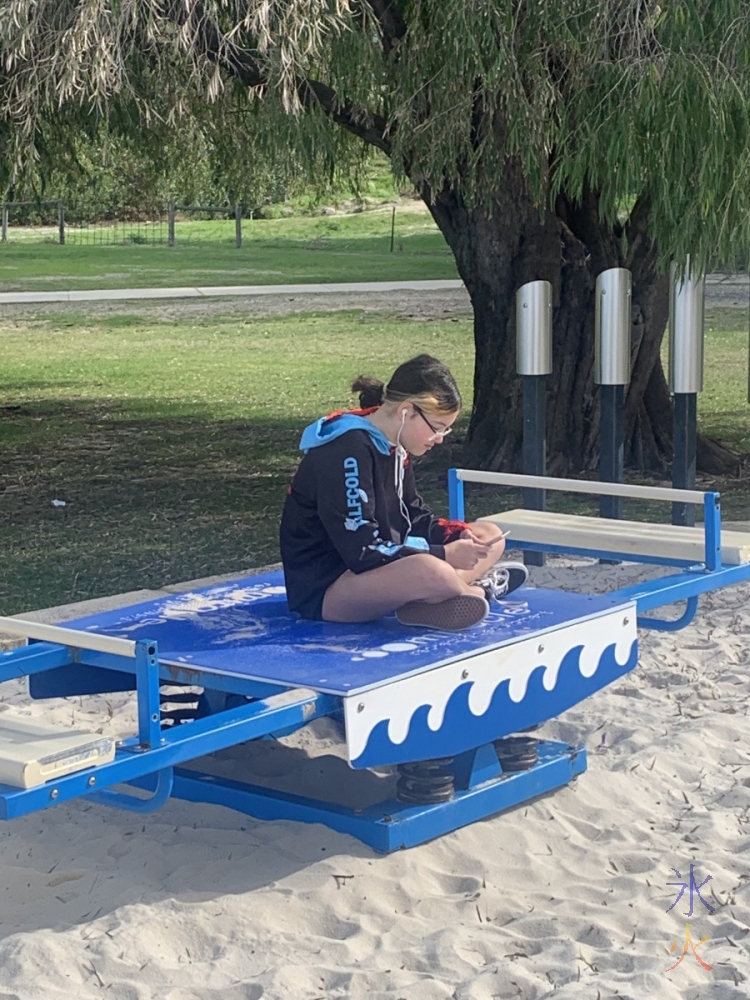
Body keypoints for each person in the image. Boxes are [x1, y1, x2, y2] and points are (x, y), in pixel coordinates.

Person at [279, 354, 528, 631]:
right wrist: (443, 554)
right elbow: (363, 551)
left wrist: (458, 536)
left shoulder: (396, 445)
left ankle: (441, 597)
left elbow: (415, 518)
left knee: (489, 534)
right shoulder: (347, 450)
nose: (441, 438)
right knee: (433, 571)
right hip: (329, 588)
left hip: (382, 566)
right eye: (437, 428)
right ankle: (478, 591)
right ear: (406, 411)